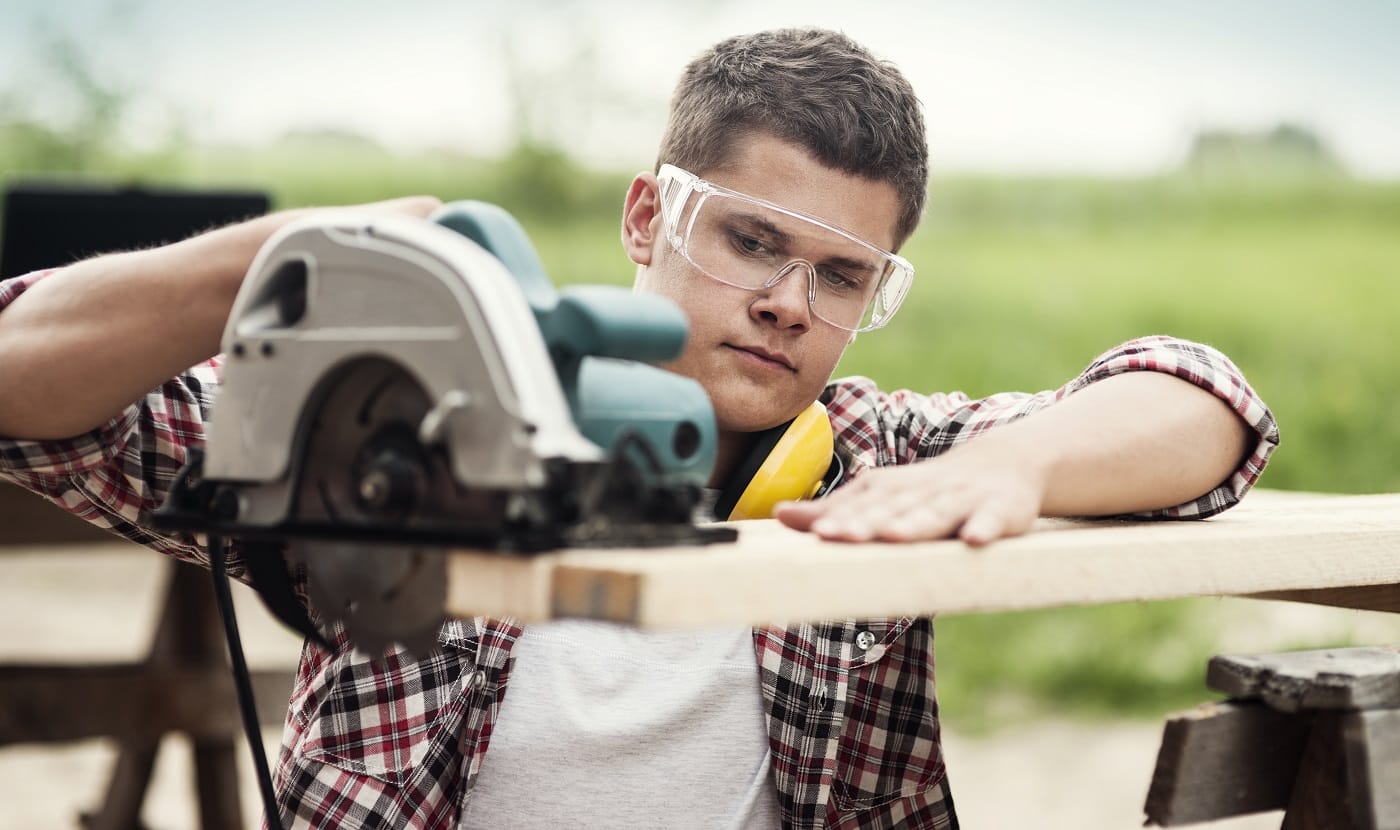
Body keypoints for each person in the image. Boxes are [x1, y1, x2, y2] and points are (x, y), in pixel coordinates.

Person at [0, 27, 1276, 830]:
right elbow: (28, 397)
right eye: (749, 239)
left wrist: (1013, 462)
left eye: (842, 276)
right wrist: (284, 264)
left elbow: (1204, 396)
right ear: (644, 215)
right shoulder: (407, 424)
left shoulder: (873, 463)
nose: (785, 300)